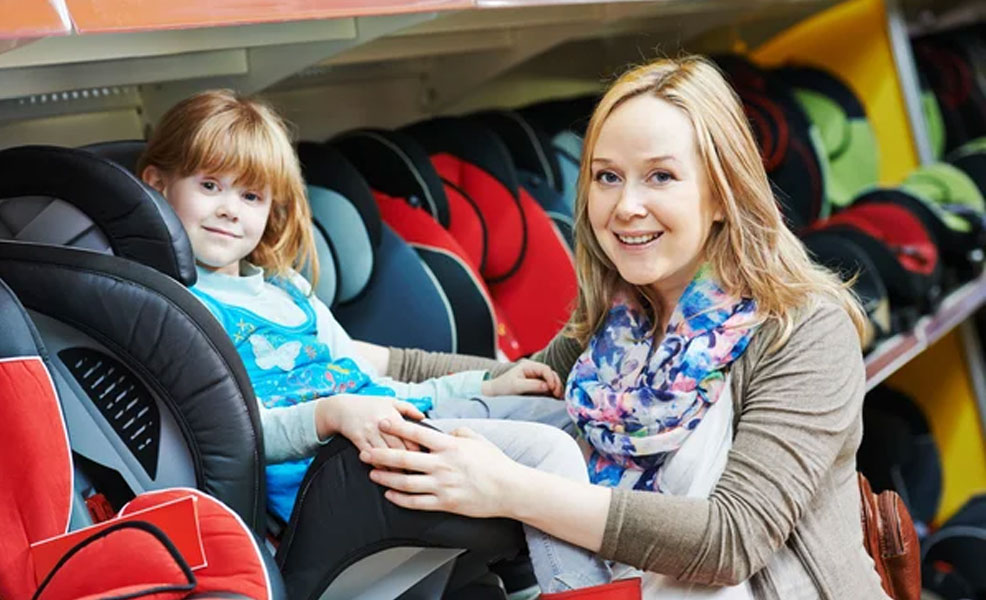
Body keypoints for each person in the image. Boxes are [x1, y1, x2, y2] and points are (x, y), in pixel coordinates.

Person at [361, 55, 891, 599]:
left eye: (660, 176)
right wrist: (356, 360)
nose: (626, 206)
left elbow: (731, 539)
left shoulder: (802, 329)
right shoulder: (618, 330)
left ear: (721, 193)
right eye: (607, 177)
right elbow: (515, 380)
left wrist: (507, 489)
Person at [137, 89, 623, 596]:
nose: (229, 210)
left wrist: (490, 381)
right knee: (548, 452)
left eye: (250, 196)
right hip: (334, 475)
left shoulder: (288, 290)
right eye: (210, 185)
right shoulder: (179, 308)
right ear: (157, 185)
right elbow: (231, 435)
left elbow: (371, 382)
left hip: (389, 430)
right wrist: (329, 414)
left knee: (580, 420)